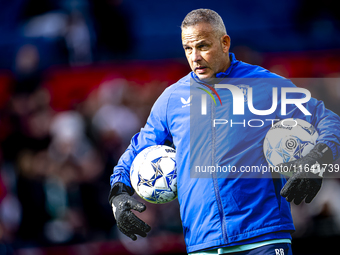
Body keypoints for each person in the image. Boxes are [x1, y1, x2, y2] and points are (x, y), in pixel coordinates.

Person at [108, 9, 340, 255]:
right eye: (188, 49)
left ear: (225, 42)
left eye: (203, 46)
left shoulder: (265, 85)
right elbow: (138, 149)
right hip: (203, 243)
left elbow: (327, 120)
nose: (195, 57)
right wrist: (118, 194)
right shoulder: (171, 99)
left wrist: (317, 158)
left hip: (262, 238)